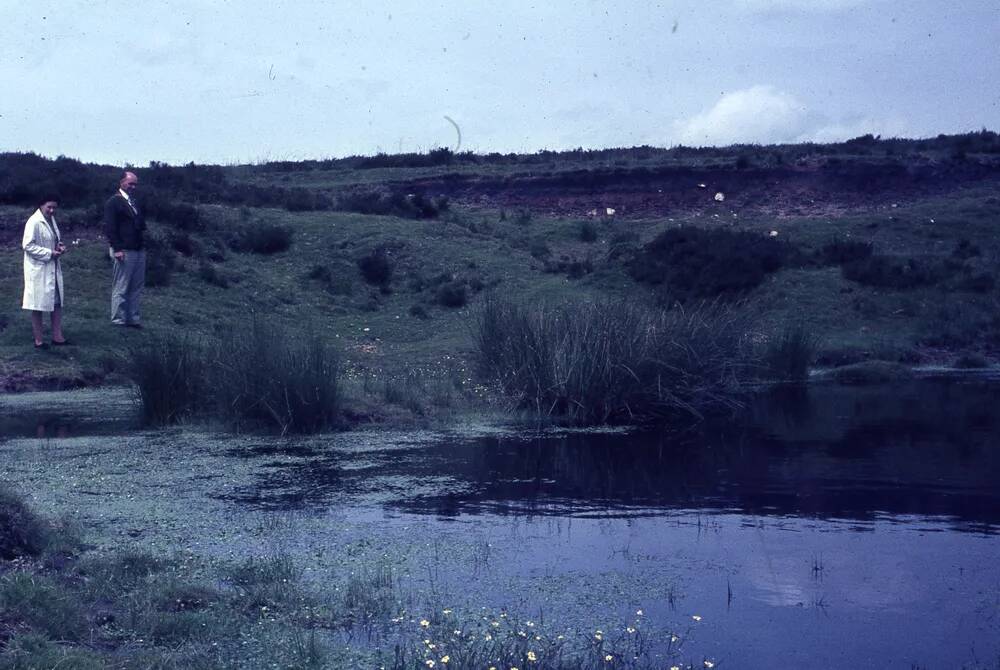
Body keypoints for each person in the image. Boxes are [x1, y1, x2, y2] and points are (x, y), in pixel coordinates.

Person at [22, 196, 69, 349]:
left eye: (54, 207)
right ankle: (39, 341)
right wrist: (49, 253)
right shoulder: (34, 221)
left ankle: (57, 337)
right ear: (41, 205)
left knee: (56, 302)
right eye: (49, 207)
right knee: (38, 304)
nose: (52, 210)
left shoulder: (51, 220)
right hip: (39, 268)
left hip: (53, 267)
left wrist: (59, 246)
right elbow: (27, 245)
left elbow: (54, 238)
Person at [103, 171, 146, 328]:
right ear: (121, 182)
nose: (133, 187)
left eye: (135, 184)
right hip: (124, 250)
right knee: (121, 286)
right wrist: (117, 249)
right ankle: (118, 320)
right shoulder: (113, 202)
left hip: (138, 249)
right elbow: (110, 227)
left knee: (136, 286)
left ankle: (133, 319)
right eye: (130, 183)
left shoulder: (133, 202)